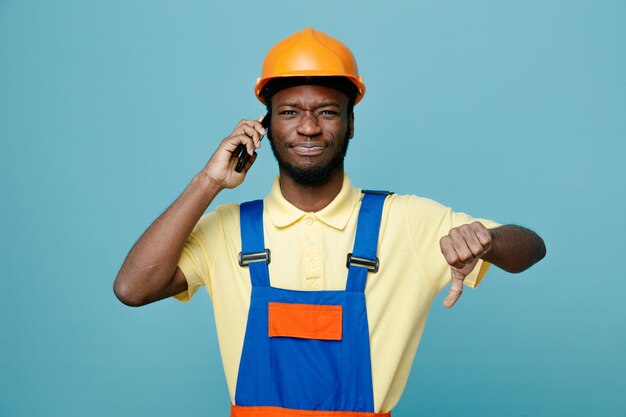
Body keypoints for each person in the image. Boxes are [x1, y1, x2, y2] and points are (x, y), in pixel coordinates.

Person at [114, 27, 546, 417]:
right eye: (288, 112)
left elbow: (531, 249)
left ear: (351, 123)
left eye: (326, 111)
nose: (308, 128)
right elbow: (133, 289)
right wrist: (207, 182)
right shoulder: (228, 229)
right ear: (262, 127)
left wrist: (487, 240)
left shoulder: (407, 221)